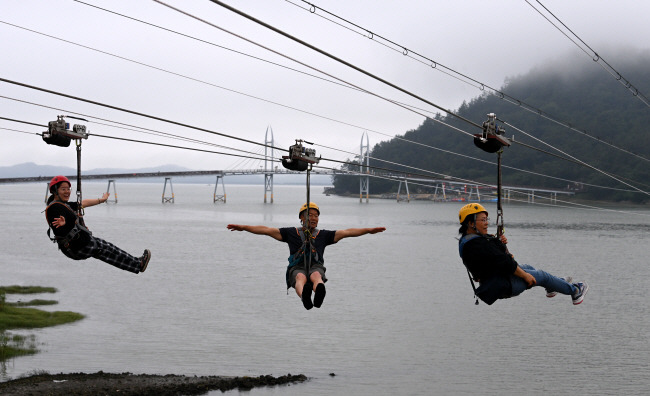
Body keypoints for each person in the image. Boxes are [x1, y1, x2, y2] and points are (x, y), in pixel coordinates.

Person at [227, 202, 386, 310]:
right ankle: (305, 296)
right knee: (300, 278)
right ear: (301, 218)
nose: (313, 218)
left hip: (315, 266)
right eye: (309, 215)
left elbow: (348, 232)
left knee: (316, 275)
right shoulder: (290, 233)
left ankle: (319, 291)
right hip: (297, 266)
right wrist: (244, 227)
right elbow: (266, 230)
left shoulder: (323, 235)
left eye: (316, 215)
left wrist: (369, 230)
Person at [457, 203, 588, 305]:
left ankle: (555, 285)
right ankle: (575, 291)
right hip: (504, 284)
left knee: (529, 267)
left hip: (496, 280)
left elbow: (492, 257)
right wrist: (525, 276)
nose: (487, 223)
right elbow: (505, 262)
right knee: (542, 276)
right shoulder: (479, 244)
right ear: (470, 223)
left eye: (487, 219)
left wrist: (498, 242)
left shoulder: (468, 241)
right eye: (483, 220)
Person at [45, 175, 151, 274]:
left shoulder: (64, 205)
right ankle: (138, 264)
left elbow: (83, 203)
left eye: (68, 189)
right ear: (55, 191)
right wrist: (65, 223)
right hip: (78, 246)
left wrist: (101, 200)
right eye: (63, 189)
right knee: (109, 251)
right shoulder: (54, 208)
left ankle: (137, 264)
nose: (67, 191)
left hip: (79, 245)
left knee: (109, 250)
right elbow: (59, 229)